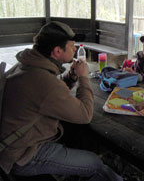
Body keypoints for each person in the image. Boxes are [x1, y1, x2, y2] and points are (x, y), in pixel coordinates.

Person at [0, 21, 122, 181]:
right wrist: (84, 77)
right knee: (95, 164)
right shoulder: (43, 81)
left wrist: (71, 77)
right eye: (72, 47)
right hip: (24, 155)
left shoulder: (26, 66)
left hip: (15, 144)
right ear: (57, 51)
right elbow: (85, 114)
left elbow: (47, 96)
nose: (75, 50)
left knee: (78, 137)